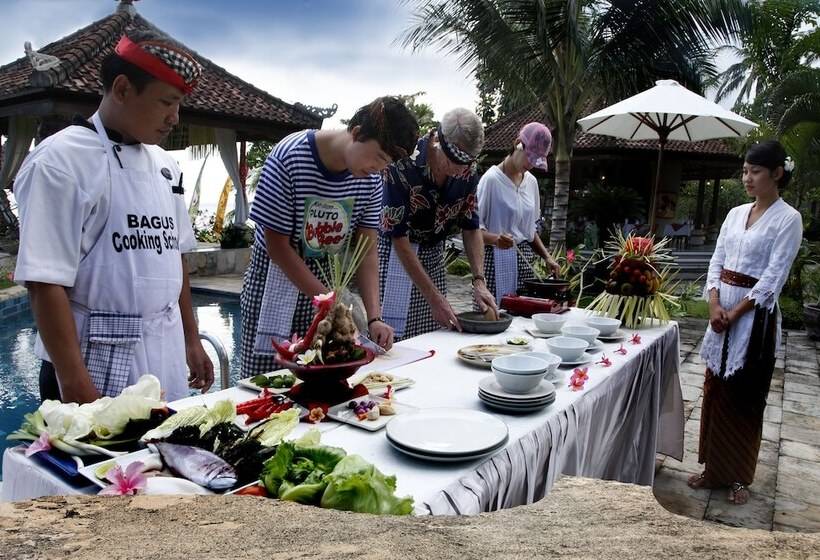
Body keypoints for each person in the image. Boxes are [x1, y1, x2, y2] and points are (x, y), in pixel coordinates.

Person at [13, 31, 214, 404]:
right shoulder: (61, 162)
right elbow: (44, 282)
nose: (175, 118)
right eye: (166, 102)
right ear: (121, 88)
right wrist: (76, 387)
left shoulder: (165, 166)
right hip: (92, 361)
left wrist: (191, 339)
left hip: (164, 349)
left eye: (179, 105)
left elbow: (176, 259)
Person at [240, 96, 419, 376]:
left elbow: (367, 249)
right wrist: (330, 303)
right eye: (379, 157)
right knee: (269, 381)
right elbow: (278, 248)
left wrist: (374, 317)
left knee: (326, 377)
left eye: (387, 164)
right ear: (356, 133)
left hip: (327, 281)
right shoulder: (289, 157)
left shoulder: (371, 180)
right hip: (278, 278)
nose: (379, 168)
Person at [689, 140, 803, 505]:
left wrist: (735, 314)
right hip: (721, 311)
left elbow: (774, 276)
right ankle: (713, 469)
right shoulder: (734, 214)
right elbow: (717, 260)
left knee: (744, 396)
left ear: (777, 174)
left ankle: (738, 476)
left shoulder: (788, 219)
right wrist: (714, 304)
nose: (747, 178)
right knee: (715, 391)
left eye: (755, 171)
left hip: (754, 320)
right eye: (745, 171)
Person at [379, 108, 497, 340]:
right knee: (393, 336)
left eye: (467, 163)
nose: (460, 170)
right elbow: (398, 237)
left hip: (433, 253)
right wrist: (433, 297)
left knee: (433, 334)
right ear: (437, 142)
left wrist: (479, 280)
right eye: (454, 161)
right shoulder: (402, 165)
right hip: (396, 254)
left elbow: (471, 226)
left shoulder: (466, 170)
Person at [476, 122, 560, 303]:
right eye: (529, 157)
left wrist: (547, 257)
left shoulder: (531, 183)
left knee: (524, 319)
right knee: (495, 318)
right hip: (494, 261)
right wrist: (496, 239)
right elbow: (473, 230)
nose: (530, 164)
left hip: (524, 262)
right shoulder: (491, 180)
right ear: (517, 144)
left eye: (536, 160)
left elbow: (530, 231)